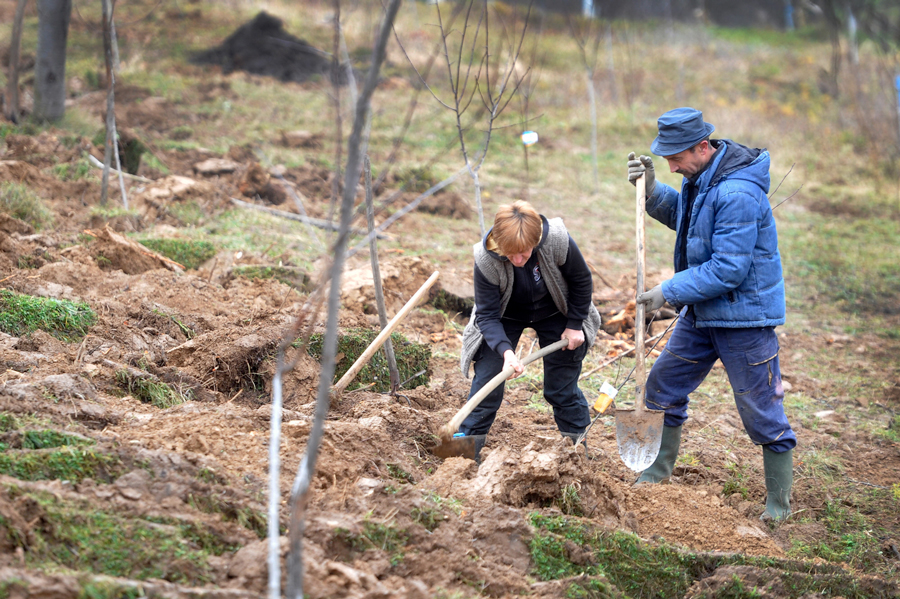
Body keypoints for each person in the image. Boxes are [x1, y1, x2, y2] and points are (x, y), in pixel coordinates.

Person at [626, 107, 796, 522]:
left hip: (744, 321)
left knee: (761, 412)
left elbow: (728, 269)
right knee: (662, 387)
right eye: (665, 159)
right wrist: (651, 190)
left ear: (703, 146)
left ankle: (778, 506)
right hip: (703, 316)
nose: (672, 165)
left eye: (676, 157)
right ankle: (655, 474)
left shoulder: (736, 192)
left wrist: (666, 291)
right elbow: (688, 222)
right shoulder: (701, 177)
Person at [458, 200, 602, 461]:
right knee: (488, 382)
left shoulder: (556, 239)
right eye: (509, 254)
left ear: (536, 241)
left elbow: (581, 280)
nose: (517, 260)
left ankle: (577, 453)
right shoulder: (485, 258)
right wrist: (506, 353)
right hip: (505, 315)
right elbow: (488, 316)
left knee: (560, 389)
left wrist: (574, 325)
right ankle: (464, 456)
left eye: (523, 253)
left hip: (557, 310)